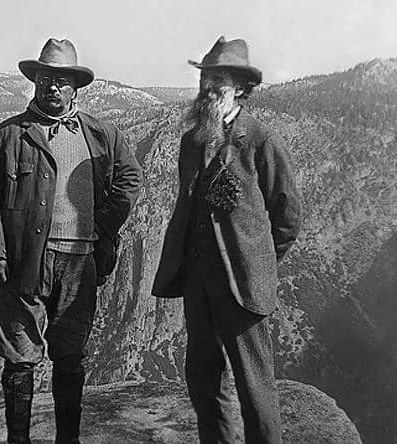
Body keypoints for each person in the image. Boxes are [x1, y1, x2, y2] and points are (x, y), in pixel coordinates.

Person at [0, 38, 141, 443]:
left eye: (62, 80)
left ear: (75, 88)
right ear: (35, 81)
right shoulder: (6, 136)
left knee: (70, 356)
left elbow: (130, 180)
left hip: (80, 263)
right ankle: (20, 440)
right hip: (23, 262)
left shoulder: (103, 136)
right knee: (18, 357)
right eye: (46, 78)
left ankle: (69, 439)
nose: (53, 87)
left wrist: (102, 226)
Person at [152, 36, 302, 443]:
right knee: (203, 382)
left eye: (219, 78)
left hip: (243, 287)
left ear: (240, 87)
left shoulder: (260, 140)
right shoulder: (192, 140)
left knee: (255, 388)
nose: (208, 85)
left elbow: (287, 216)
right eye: (205, 76)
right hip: (197, 283)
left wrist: (258, 261)